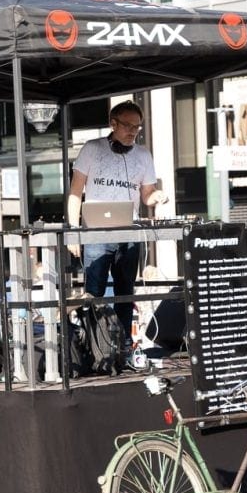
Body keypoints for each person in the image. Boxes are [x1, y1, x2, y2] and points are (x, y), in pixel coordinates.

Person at [66, 100, 168, 359]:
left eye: (137, 127)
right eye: (128, 126)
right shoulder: (92, 149)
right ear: (113, 123)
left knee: (125, 292)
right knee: (94, 293)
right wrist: (73, 231)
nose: (133, 131)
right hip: (95, 233)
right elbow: (76, 192)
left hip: (129, 232)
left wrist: (156, 196)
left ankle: (122, 348)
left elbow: (146, 195)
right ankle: (94, 348)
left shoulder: (143, 156)